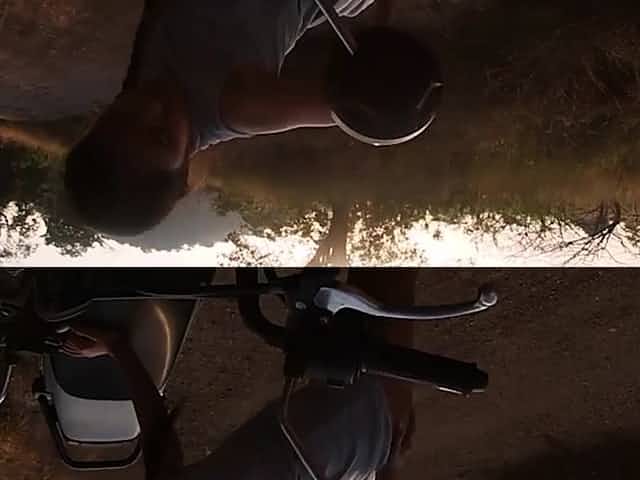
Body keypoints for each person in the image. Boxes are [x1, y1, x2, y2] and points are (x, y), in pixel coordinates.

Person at [64, 0, 440, 236]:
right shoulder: (240, 105)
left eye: (125, 119)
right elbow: (369, 108)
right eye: (161, 136)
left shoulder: (142, 78)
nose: (152, 108)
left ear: (100, 120)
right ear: (183, 169)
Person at [60, 269, 418, 480]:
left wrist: (118, 348)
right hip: (371, 426)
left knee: (366, 272)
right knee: (391, 267)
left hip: (328, 408)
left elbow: (159, 445)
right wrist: (390, 469)